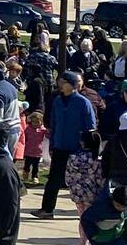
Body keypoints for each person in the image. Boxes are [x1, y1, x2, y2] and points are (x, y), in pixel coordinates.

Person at [40, 72, 97, 219]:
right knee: (53, 178)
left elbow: (90, 127)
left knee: (81, 181)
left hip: (77, 149)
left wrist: (86, 146)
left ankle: (88, 211)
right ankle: (47, 209)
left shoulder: (83, 102)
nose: (61, 85)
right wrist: (52, 144)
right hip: (59, 146)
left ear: (72, 85)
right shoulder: (57, 101)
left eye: (64, 82)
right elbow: (54, 123)